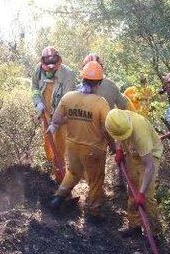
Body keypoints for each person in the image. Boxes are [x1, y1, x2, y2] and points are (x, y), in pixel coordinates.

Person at [48, 61, 113, 220]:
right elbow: (108, 128)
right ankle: (92, 211)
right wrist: (113, 145)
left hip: (72, 146)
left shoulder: (68, 97)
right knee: (96, 180)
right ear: (99, 83)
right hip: (93, 149)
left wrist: (59, 125)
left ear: (82, 79)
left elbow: (56, 120)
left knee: (73, 172)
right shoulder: (100, 103)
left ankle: (58, 198)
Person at [104, 108, 163, 237]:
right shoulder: (118, 120)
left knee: (146, 197)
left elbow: (149, 166)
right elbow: (118, 136)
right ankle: (134, 226)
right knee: (132, 191)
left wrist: (141, 193)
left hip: (150, 157)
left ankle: (154, 233)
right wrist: (119, 150)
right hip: (133, 154)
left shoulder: (140, 132)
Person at [32, 46, 77, 178]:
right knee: (48, 146)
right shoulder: (38, 70)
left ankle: (62, 180)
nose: (51, 70)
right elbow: (34, 88)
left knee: (59, 149)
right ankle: (53, 171)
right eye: (48, 67)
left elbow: (67, 102)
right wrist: (38, 103)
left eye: (54, 67)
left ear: (59, 62)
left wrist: (56, 123)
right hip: (45, 113)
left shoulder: (68, 75)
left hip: (62, 118)